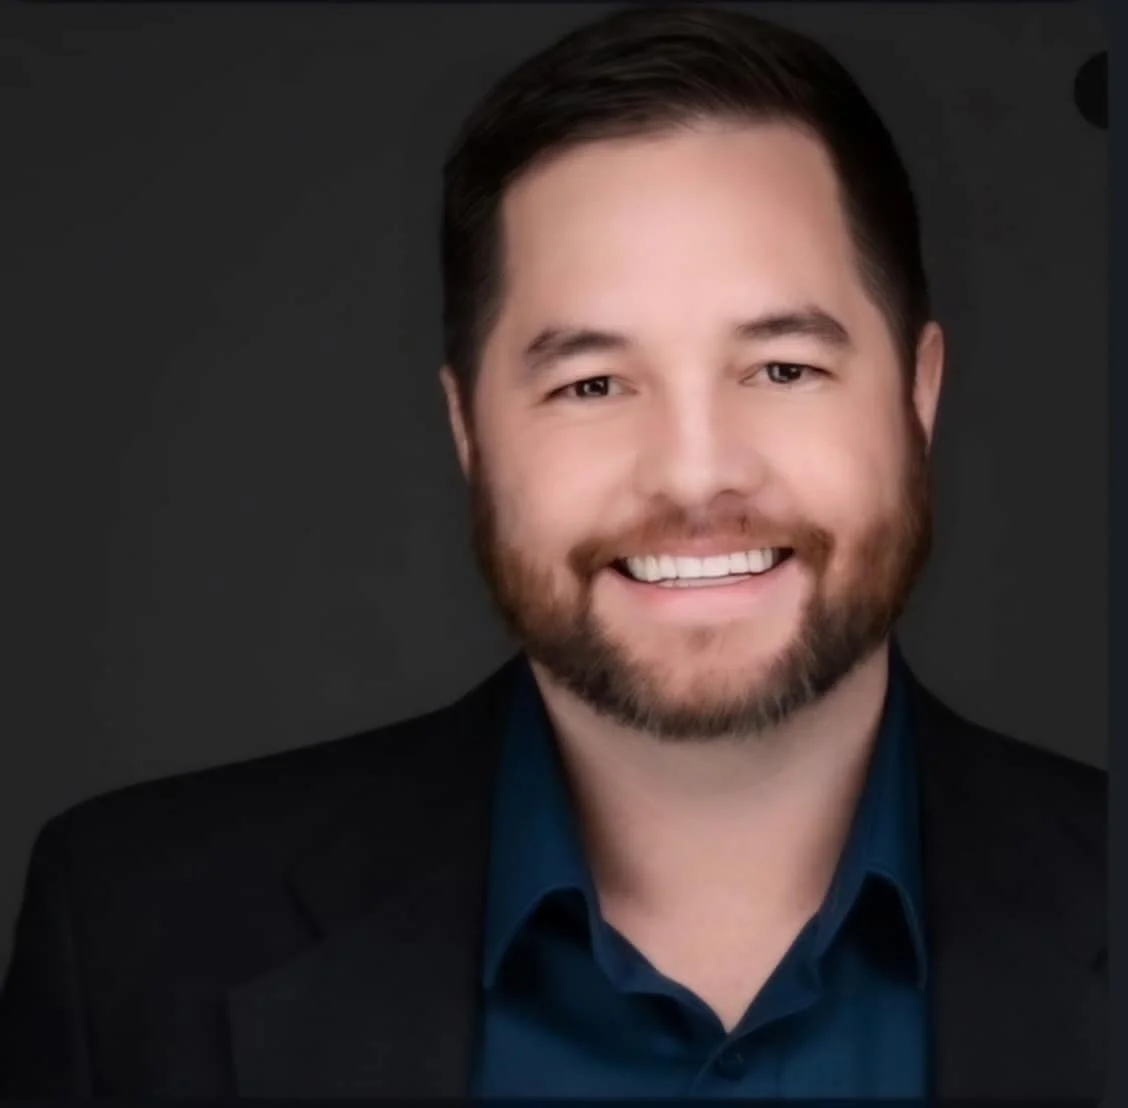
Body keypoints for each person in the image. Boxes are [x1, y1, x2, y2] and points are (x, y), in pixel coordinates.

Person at [0, 4, 1106, 1099]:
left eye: (782, 369)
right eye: (590, 384)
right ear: (468, 431)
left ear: (920, 394)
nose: (694, 472)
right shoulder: (132, 937)